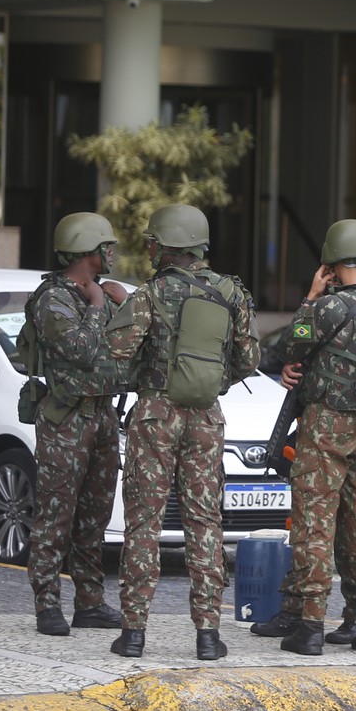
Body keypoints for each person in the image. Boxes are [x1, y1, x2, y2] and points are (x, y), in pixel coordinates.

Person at [105, 204, 259, 661]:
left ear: (166, 245)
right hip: (206, 417)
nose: (149, 248)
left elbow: (117, 349)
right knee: (204, 523)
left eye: (152, 241)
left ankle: (133, 633)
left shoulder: (150, 293)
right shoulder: (231, 293)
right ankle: (208, 636)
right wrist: (211, 383)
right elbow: (249, 359)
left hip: (155, 414)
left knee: (144, 523)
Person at [252, 259, 356, 644]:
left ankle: (310, 623)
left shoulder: (326, 308)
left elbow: (287, 345)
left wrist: (311, 296)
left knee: (314, 520)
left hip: (327, 426)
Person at [24, 212, 132, 637]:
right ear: (89, 250)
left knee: (94, 517)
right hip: (65, 418)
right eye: (107, 247)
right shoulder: (53, 299)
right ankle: (47, 604)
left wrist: (125, 304)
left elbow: (129, 347)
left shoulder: (101, 293)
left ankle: (90, 602)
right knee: (55, 514)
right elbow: (80, 351)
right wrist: (98, 307)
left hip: (102, 415)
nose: (112, 253)